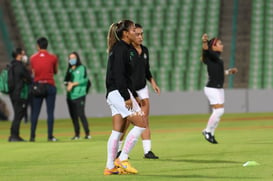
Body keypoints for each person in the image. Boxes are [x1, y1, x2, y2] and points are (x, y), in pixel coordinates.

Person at [104, 20, 146, 175]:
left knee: (117, 131)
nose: (136, 32)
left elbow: (126, 77)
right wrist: (126, 96)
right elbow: (119, 75)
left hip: (115, 92)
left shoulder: (123, 48)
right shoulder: (121, 49)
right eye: (134, 29)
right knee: (141, 123)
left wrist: (134, 95)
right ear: (126, 33)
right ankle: (123, 158)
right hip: (118, 92)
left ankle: (110, 166)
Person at [117, 23, 160, 159]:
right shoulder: (126, 51)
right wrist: (130, 95)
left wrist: (153, 83)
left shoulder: (145, 50)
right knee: (127, 122)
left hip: (142, 88)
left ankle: (148, 151)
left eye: (142, 34)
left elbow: (146, 70)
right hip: (130, 90)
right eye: (137, 34)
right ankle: (119, 150)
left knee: (144, 119)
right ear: (130, 34)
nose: (140, 37)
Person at [201, 33, 238, 144]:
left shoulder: (216, 57)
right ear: (213, 46)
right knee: (219, 110)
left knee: (218, 112)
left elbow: (218, 73)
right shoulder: (211, 55)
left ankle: (210, 132)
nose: (222, 45)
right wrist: (204, 41)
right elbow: (205, 50)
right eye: (219, 44)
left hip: (218, 88)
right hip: (212, 88)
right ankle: (207, 131)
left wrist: (228, 72)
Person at [29, 37, 58, 142]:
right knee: (50, 112)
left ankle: (32, 136)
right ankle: (50, 136)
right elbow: (55, 71)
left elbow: (33, 71)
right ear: (47, 45)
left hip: (38, 86)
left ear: (38, 45)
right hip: (49, 85)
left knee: (35, 112)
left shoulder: (32, 58)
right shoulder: (53, 57)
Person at [64, 52, 91, 140]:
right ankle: (77, 134)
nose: (72, 60)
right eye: (70, 58)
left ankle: (87, 133)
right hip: (70, 96)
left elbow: (85, 80)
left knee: (81, 114)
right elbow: (65, 81)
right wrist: (68, 84)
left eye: (73, 58)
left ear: (77, 58)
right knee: (73, 116)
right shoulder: (69, 70)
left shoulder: (82, 68)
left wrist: (73, 84)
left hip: (80, 94)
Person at [8, 48, 32, 142]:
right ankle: (14, 135)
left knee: (17, 114)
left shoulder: (11, 65)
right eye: (23, 54)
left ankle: (13, 135)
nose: (24, 56)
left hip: (12, 93)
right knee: (19, 114)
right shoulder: (20, 66)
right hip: (19, 93)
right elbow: (29, 78)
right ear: (18, 55)